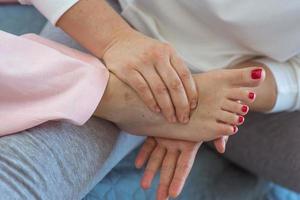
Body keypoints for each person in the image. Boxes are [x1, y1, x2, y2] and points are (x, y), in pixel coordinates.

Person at [0, 0, 299, 199]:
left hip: (255, 73)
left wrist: (230, 93)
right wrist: (115, 39)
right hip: (118, 21)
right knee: (25, 175)